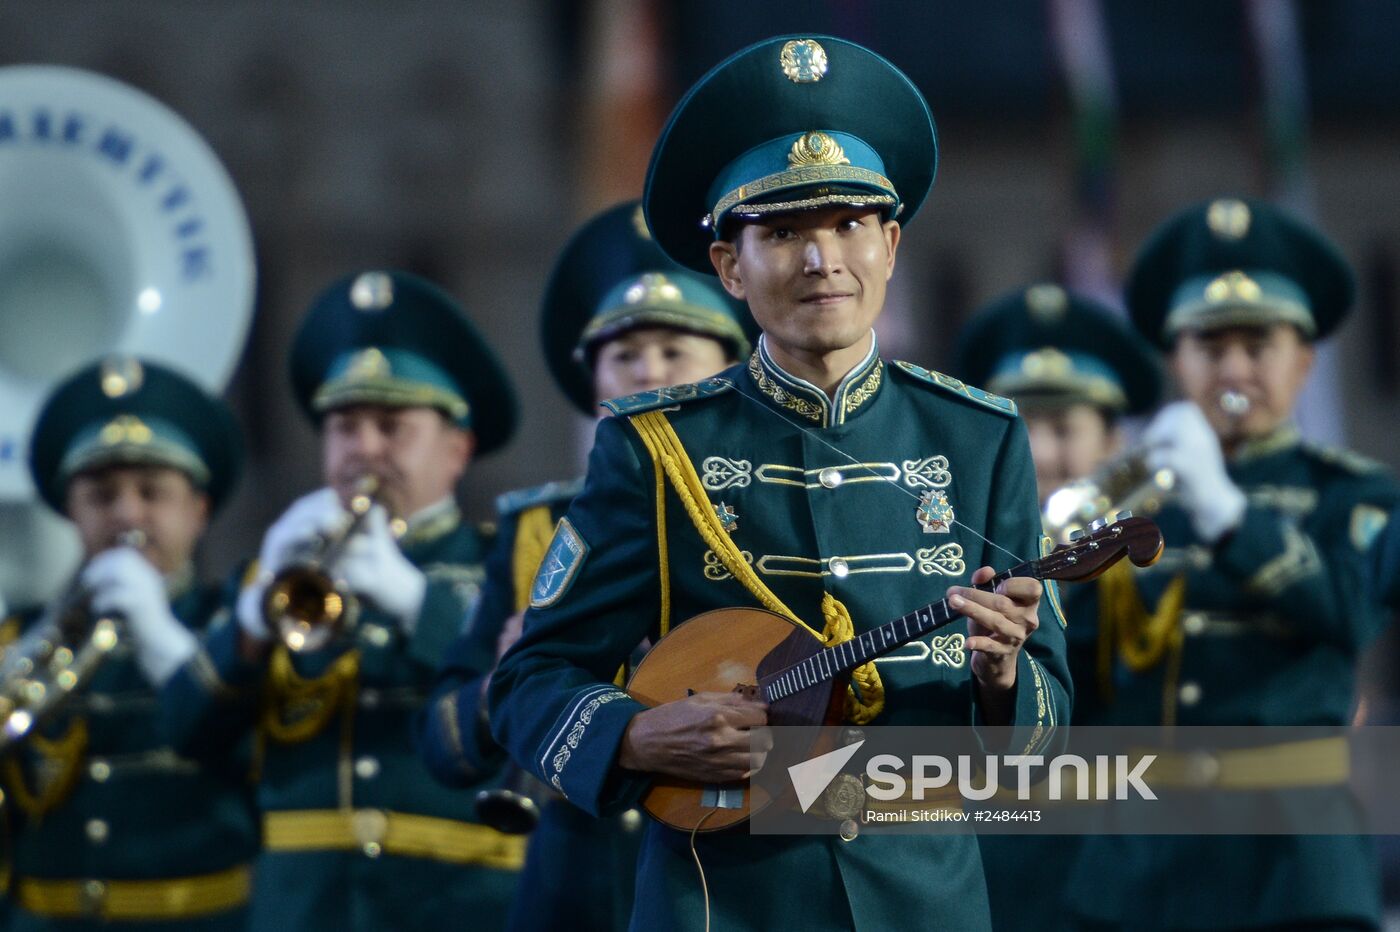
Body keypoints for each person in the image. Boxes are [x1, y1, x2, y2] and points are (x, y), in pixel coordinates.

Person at [488, 35, 1071, 931]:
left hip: (926, 901)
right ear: (729, 266)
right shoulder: (653, 446)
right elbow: (529, 678)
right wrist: (635, 735)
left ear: (890, 243)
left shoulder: (979, 436)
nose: (820, 259)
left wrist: (1001, 678)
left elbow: (1045, 735)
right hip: (721, 902)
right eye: (784, 231)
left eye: (847, 224)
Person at [1064, 198, 1400, 930]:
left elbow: (1346, 612)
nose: (1235, 368)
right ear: (1176, 360)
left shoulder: (1355, 494)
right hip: (1144, 870)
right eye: (1211, 348)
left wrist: (1228, 513)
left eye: (1258, 345)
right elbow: (1077, 682)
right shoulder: (1128, 506)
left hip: (1295, 865)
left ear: (1305, 359)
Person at [419, 199, 753, 931]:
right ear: (591, 380)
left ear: (731, 368)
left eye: (675, 352)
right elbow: (444, 744)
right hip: (577, 883)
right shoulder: (537, 528)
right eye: (625, 355)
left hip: (732, 869)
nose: (647, 373)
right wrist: (506, 682)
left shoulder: (770, 513)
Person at [161, 271, 522, 931]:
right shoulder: (276, 573)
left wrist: (416, 600)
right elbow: (186, 734)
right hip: (304, 910)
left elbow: (531, 700)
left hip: (460, 905)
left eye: (392, 427)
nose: (364, 450)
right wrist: (248, 621)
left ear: (457, 448)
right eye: (344, 427)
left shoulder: (506, 564)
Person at [1, 356, 255, 930]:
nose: (127, 515)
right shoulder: (21, 638)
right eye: (101, 494)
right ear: (72, 509)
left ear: (199, 509)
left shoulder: (235, 628)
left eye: (151, 492)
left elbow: (259, 759)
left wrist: (161, 637)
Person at [953, 285, 1163, 931]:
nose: (1040, 454)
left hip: (1127, 874)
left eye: (1065, 427)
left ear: (1114, 440)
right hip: (981, 873)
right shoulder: (949, 562)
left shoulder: (1158, 566)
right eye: (1020, 429)